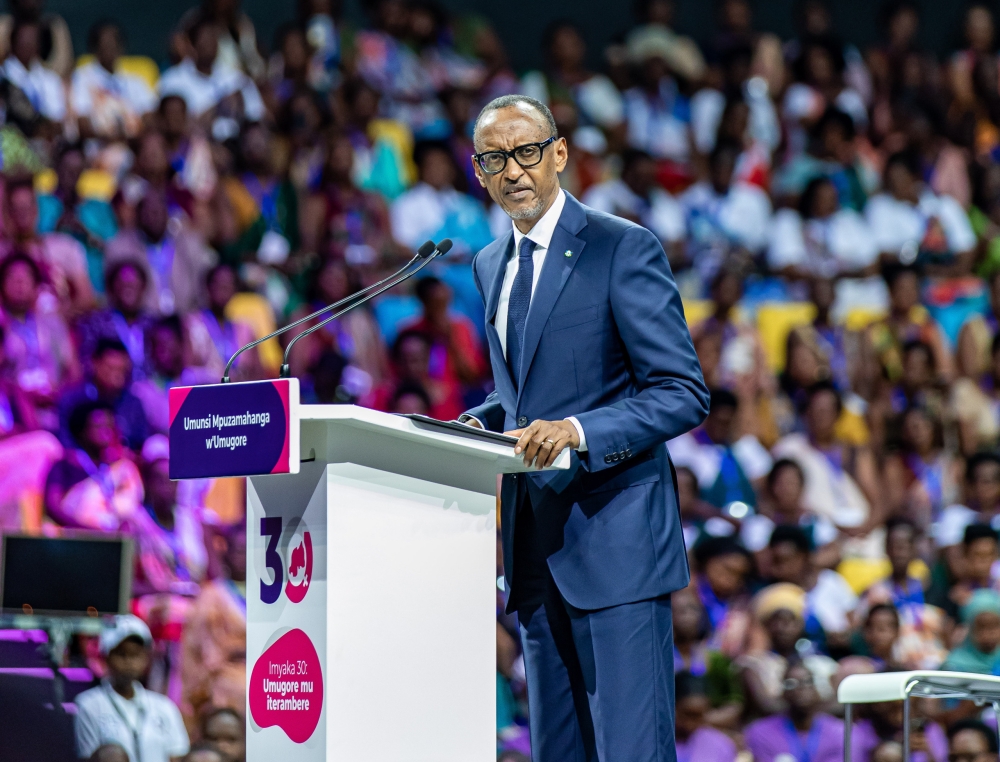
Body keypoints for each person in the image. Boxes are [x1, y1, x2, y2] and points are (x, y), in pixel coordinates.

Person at [459, 94, 709, 761]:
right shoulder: (489, 264)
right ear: (478, 173)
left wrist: (576, 429)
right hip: (535, 554)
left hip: (616, 548)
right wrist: (472, 424)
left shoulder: (621, 247)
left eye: (527, 152)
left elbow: (682, 392)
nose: (513, 171)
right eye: (494, 159)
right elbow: (523, 392)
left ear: (559, 154)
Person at [74, 615, 190, 762]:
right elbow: (88, 757)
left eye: (136, 654)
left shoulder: (164, 706)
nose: (129, 662)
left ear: (146, 658)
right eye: (121, 654)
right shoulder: (89, 705)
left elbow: (177, 755)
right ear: (106, 657)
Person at [854, 518, 949, 669]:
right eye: (894, 547)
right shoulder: (874, 593)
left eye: (904, 546)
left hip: (932, 665)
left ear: (914, 549)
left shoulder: (933, 590)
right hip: (890, 667)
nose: (899, 553)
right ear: (886, 550)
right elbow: (862, 635)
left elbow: (945, 632)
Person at [181, 523, 247, 725]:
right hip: (225, 672)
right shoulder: (212, 597)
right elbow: (206, 654)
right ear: (226, 552)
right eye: (240, 551)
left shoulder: (271, 595)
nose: (246, 558)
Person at [44, 400, 143, 530]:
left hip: (110, 537)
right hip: (75, 537)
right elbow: (53, 507)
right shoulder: (66, 465)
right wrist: (88, 531)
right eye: (99, 427)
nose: (106, 432)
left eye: (110, 427)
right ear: (81, 431)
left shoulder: (115, 468)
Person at [743, 661, 850, 762]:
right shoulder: (760, 732)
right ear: (782, 692)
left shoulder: (841, 732)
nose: (800, 688)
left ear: (817, 689)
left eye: (807, 681)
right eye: (790, 684)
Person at [71, 20, 157, 141]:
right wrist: (110, 137)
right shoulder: (82, 78)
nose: (110, 47)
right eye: (105, 43)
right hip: (98, 147)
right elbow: (82, 122)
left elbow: (150, 119)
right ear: (95, 47)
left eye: (114, 42)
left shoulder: (136, 82)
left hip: (133, 145)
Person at [58, 338, 150, 450]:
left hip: (124, 463)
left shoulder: (133, 403)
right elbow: (65, 440)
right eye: (110, 368)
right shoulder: (71, 399)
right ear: (95, 363)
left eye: (121, 370)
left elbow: (142, 442)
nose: (116, 376)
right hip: (83, 463)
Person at [674, 672, 738, 762]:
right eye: (686, 714)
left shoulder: (720, 745)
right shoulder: (656, 743)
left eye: (698, 717)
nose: (690, 724)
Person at [943, 588, 1000, 673]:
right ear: (969, 630)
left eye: (993, 628)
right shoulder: (954, 667)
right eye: (980, 628)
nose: (987, 635)